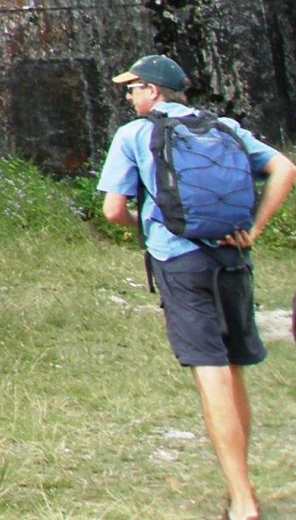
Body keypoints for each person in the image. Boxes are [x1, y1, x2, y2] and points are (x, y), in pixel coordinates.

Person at [98, 54, 294, 520]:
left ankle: (243, 499)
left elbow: (111, 211)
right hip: (232, 258)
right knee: (234, 367)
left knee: (211, 374)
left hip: (179, 262)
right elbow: (284, 169)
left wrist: (143, 227)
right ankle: (241, 489)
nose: (129, 97)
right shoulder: (224, 126)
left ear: (152, 91)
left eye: (132, 89)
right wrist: (254, 230)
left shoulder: (134, 135)